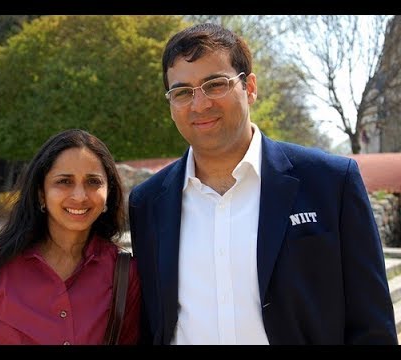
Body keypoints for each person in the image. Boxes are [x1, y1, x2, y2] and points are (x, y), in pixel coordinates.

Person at [128, 23, 397, 345]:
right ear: (171, 105)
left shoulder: (331, 182)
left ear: (250, 87)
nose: (199, 105)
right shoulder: (147, 203)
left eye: (215, 84)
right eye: (183, 92)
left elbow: (373, 326)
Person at [0, 129, 140, 345]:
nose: (79, 196)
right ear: (40, 193)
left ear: (108, 193)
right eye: (64, 181)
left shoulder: (123, 273)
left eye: (93, 182)